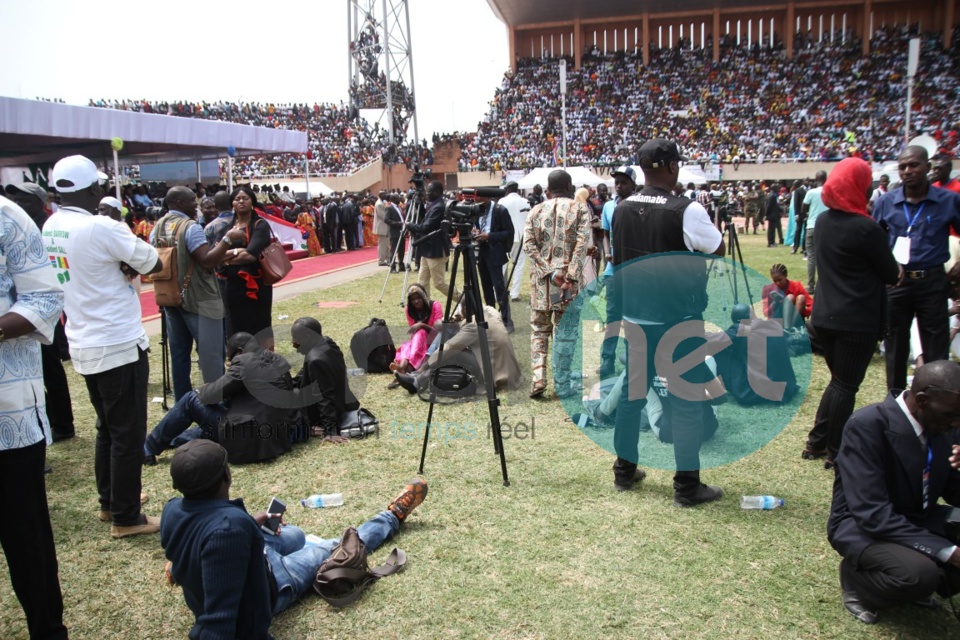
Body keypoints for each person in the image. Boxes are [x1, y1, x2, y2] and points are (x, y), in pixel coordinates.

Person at [161, 439, 427, 639]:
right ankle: (392, 516)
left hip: (248, 554)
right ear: (226, 476)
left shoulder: (172, 509)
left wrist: (254, 522)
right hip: (273, 582)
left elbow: (209, 536)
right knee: (338, 546)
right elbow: (220, 621)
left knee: (296, 536)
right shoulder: (229, 531)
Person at [43, 154, 163, 539]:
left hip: (82, 340)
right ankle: (126, 518)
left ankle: (111, 501)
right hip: (117, 341)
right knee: (127, 434)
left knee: (107, 429)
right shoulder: (100, 227)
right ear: (93, 189)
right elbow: (152, 261)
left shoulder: (51, 225)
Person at [609, 138, 726, 506]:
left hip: (637, 315)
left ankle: (624, 471)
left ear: (642, 169)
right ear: (673, 168)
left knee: (632, 394)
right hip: (678, 318)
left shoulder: (622, 208)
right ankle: (687, 486)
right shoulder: (686, 210)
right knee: (687, 399)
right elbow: (716, 247)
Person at [828, 360, 960, 625]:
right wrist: (947, 551)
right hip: (863, 525)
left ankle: (926, 575)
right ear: (922, 400)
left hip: (917, 517)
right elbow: (872, 513)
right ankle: (857, 582)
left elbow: (954, 494)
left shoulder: (944, 424)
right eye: (952, 415)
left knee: (928, 570)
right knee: (919, 575)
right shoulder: (868, 424)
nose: (957, 423)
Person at [803, 157, 902, 467]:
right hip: (855, 319)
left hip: (824, 315)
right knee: (846, 385)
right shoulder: (865, 228)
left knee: (838, 382)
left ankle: (817, 441)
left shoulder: (823, 221)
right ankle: (836, 451)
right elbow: (890, 273)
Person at [0, 194, 68, 639]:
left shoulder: (6, 217)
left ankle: (47, 630)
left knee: (26, 538)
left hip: (8, 414)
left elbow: (44, 297)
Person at [873, 145, 960, 391]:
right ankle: (896, 402)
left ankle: (936, 401)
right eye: (902, 167)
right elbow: (875, 242)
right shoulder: (887, 202)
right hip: (897, 284)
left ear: (927, 167)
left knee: (936, 349)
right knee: (895, 349)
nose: (908, 171)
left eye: (914, 165)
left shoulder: (949, 201)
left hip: (932, 282)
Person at [144, 332, 302, 465]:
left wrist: (207, 386)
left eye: (230, 358)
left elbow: (208, 395)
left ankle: (148, 448)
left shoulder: (244, 362)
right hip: (275, 437)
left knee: (191, 399)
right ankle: (171, 440)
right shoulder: (277, 359)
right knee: (211, 423)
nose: (230, 363)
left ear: (239, 352)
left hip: (248, 441)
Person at [153, 186, 243, 401]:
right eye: (193, 201)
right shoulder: (190, 227)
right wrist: (228, 240)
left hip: (171, 298)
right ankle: (215, 405)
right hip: (200, 299)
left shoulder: (157, 227)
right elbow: (207, 260)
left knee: (179, 357)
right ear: (180, 203)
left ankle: (183, 405)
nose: (197, 205)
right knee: (211, 358)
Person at [5, 182, 75, 442]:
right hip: (20, 310)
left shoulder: (46, 226)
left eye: (24, 200)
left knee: (50, 368)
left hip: (40, 308)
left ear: (39, 201)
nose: (19, 204)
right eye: (16, 199)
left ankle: (63, 424)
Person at [523, 169, 591, 398]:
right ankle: (562, 385)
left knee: (539, 330)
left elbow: (529, 246)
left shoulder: (535, 211)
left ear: (548, 190)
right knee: (566, 332)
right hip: (567, 287)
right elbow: (581, 246)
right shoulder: (580, 209)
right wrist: (570, 277)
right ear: (570, 187)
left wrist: (550, 273)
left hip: (542, 284)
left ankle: (538, 379)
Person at [393, 300, 522, 394]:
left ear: (466, 310)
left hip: (495, 373)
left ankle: (417, 380)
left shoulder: (473, 325)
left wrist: (425, 366)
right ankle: (416, 376)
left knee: (451, 353)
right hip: (509, 370)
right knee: (447, 333)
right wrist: (459, 320)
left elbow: (450, 347)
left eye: (462, 309)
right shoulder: (491, 311)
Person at [220, 185, 275, 349]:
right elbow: (215, 254)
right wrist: (237, 251)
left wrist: (226, 257)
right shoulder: (227, 228)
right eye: (237, 199)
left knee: (260, 323)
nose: (241, 201)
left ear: (252, 202)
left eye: (245, 198)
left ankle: (266, 360)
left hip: (257, 286)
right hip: (232, 284)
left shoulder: (260, 225)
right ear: (232, 204)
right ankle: (239, 360)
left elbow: (251, 255)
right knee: (234, 322)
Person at [291, 317, 358, 442]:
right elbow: (305, 373)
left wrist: (331, 431)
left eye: (295, 338)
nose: (293, 342)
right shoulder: (326, 342)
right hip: (344, 401)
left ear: (307, 337)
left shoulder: (315, 360)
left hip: (328, 411)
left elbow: (326, 396)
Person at [598, 166, 637, 378]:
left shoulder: (639, 205)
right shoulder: (607, 207)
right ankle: (608, 360)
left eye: (624, 182)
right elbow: (605, 234)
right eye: (617, 182)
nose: (619, 186)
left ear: (633, 184)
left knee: (634, 316)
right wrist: (607, 252)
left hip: (634, 272)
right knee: (612, 316)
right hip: (613, 271)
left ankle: (634, 358)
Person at [472, 189, 515, 332]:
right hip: (482, 253)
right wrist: (476, 233)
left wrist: (489, 236)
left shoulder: (500, 210)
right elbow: (476, 226)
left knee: (499, 288)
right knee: (486, 288)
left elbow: (508, 233)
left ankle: (507, 321)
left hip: (495, 253)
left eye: (480, 200)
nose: (477, 202)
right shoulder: (477, 210)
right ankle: (492, 319)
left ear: (486, 198)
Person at [406, 181, 454, 300]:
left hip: (436, 251)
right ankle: (426, 309)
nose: (426, 194)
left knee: (439, 284)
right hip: (427, 250)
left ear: (437, 192)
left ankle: (465, 300)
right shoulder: (433, 204)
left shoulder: (439, 207)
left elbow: (426, 227)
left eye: (429, 192)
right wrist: (420, 206)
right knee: (422, 284)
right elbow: (425, 220)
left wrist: (410, 225)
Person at [390, 283, 443, 378]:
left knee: (421, 332)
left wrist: (422, 325)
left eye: (419, 298)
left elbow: (439, 332)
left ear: (424, 297)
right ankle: (402, 366)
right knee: (407, 344)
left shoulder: (435, 305)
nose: (416, 301)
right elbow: (413, 334)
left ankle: (409, 368)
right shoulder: (409, 310)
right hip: (419, 343)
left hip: (433, 342)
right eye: (413, 299)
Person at [498, 182, 531, 302]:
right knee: (519, 266)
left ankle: (500, 291)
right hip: (521, 236)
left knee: (502, 265)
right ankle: (514, 293)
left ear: (507, 189)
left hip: (506, 237)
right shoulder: (525, 201)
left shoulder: (502, 201)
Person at [762, 263, 812, 329]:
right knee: (790, 298)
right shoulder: (768, 289)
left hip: (794, 319)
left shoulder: (796, 286)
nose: (778, 283)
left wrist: (804, 312)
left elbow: (811, 304)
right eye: (775, 281)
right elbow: (766, 313)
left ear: (786, 276)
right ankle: (788, 329)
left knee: (800, 298)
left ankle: (789, 329)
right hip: (778, 320)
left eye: (780, 280)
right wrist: (775, 303)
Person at [802, 170, 829, 291]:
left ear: (815, 179)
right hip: (826, 227)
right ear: (826, 179)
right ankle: (824, 284)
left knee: (812, 257)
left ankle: (811, 285)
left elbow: (804, 207)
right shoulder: (829, 191)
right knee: (825, 256)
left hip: (812, 226)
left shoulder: (811, 192)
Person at [385, 194, 406, 272]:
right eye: (397, 198)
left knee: (402, 250)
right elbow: (386, 219)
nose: (399, 199)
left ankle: (401, 265)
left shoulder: (399, 207)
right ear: (393, 199)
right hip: (394, 232)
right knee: (394, 250)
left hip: (402, 231)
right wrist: (397, 223)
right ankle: (392, 267)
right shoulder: (389, 208)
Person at [764, 181, 784, 246]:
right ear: (773, 188)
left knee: (772, 229)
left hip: (773, 214)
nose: (777, 189)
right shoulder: (772, 196)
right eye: (776, 188)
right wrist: (766, 214)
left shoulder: (772, 195)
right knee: (771, 229)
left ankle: (772, 241)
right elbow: (769, 206)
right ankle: (770, 242)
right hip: (772, 215)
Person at [375, 190, 391, 266]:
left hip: (385, 227)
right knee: (382, 245)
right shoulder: (379, 204)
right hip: (382, 227)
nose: (385, 195)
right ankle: (381, 260)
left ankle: (389, 259)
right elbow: (383, 216)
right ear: (380, 195)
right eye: (384, 194)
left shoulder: (383, 202)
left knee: (387, 244)